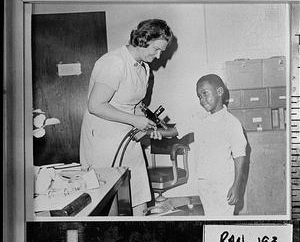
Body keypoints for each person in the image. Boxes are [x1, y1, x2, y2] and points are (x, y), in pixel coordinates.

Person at [80, 19, 173, 216]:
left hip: (127, 135)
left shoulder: (143, 68)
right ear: (143, 39)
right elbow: (95, 105)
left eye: (161, 52)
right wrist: (134, 120)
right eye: (156, 49)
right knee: (109, 198)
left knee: (138, 190)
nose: (157, 56)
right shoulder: (114, 62)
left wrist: (146, 127)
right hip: (103, 139)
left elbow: (135, 105)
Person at [150, 74, 247, 217]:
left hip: (223, 182)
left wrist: (236, 186)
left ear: (219, 92)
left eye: (205, 94)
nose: (202, 100)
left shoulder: (232, 123)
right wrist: (149, 132)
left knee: (223, 219)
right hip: (204, 180)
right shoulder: (199, 119)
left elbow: (240, 156)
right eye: (199, 96)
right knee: (210, 215)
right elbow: (173, 131)